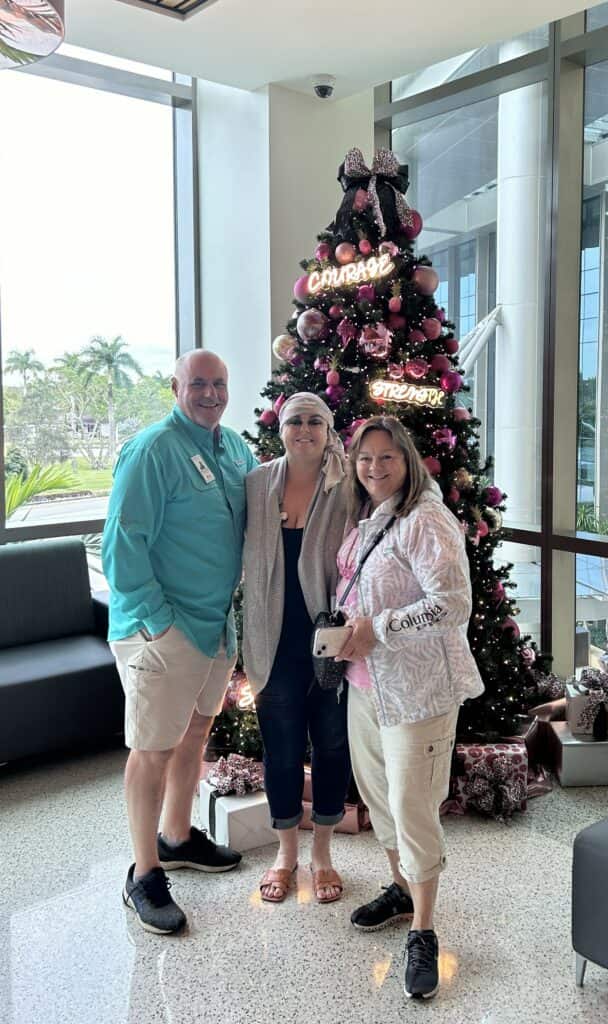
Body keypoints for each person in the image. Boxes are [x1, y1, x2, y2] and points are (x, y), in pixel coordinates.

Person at [102, 348, 257, 935]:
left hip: (216, 627)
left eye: (219, 383)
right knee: (151, 749)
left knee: (195, 731)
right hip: (163, 629)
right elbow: (121, 545)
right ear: (176, 386)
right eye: (199, 383)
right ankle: (143, 875)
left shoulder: (235, 447)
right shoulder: (151, 449)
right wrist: (158, 623)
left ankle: (176, 837)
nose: (211, 393)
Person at [335, 415, 484, 1000]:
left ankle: (423, 929)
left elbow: (452, 604)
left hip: (418, 693)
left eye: (386, 457)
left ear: (408, 461)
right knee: (379, 798)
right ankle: (402, 889)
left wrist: (381, 628)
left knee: (411, 804)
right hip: (366, 685)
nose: (374, 467)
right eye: (364, 458)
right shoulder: (373, 516)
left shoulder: (426, 518)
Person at [242, 392, 350, 905]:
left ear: (329, 430)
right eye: (294, 421)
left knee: (331, 747)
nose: (304, 429)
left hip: (329, 644)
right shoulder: (257, 483)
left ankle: (322, 853)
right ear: (279, 429)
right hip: (271, 642)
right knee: (281, 751)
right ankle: (285, 852)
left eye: (315, 421)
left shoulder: (348, 483)